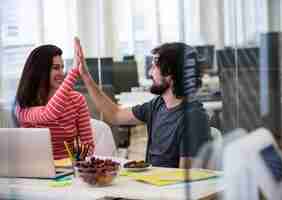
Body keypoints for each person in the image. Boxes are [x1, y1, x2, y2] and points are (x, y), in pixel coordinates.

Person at [77, 40, 210, 168]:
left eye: (154, 67)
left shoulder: (194, 118)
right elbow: (115, 115)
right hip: (151, 183)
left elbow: (186, 181)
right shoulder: (158, 105)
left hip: (165, 189)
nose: (149, 72)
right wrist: (86, 77)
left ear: (170, 73)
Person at [15, 39, 94, 160]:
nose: (62, 73)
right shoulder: (24, 103)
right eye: (56, 68)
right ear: (40, 71)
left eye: (62, 68)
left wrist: (77, 159)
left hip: (68, 171)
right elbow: (49, 113)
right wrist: (73, 73)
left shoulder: (77, 100)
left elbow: (88, 146)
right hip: (36, 170)